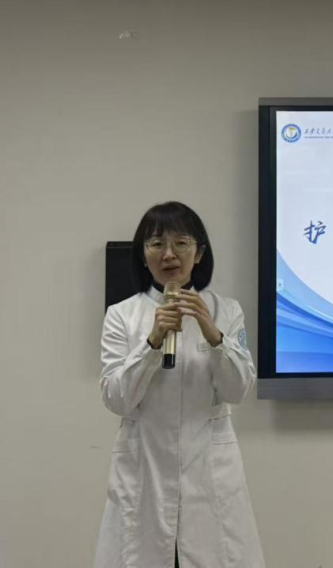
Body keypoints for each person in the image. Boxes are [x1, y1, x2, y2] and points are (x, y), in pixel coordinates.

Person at [94, 202, 264, 568]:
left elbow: (239, 390)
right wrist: (152, 342)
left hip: (210, 475)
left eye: (181, 243)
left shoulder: (226, 311)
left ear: (199, 252)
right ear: (143, 256)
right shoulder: (122, 315)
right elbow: (116, 398)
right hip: (145, 472)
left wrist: (214, 335)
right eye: (157, 244)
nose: (169, 254)